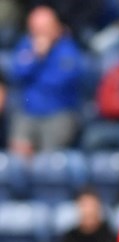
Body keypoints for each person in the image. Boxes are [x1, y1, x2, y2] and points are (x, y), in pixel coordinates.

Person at [7, 5, 83, 156]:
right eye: (35, 28)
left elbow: (60, 81)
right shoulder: (26, 45)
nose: (39, 33)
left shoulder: (68, 48)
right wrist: (37, 57)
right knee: (17, 153)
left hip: (59, 113)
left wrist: (38, 65)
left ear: (55, 27)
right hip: (28, 113)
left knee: (48, 159)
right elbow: (17, 73)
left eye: (44, 28)